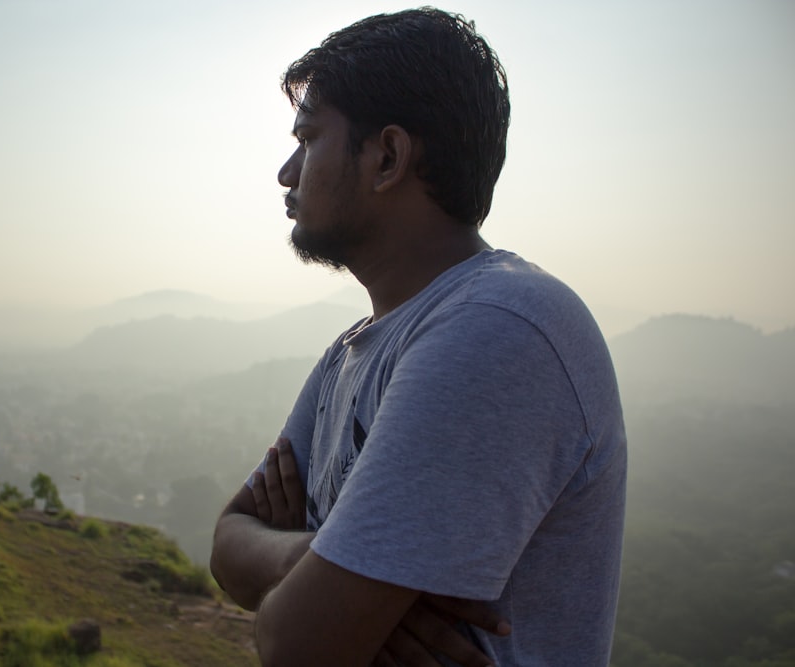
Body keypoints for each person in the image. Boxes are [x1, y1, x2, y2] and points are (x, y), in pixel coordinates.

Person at [209, 8, 627, 667]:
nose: (287, 173)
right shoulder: (351, 353)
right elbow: (226, 541)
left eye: (310, 138)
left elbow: (294, 645)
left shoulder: (497, 328)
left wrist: (319, 587)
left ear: (388, 157)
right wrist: (312, 559)